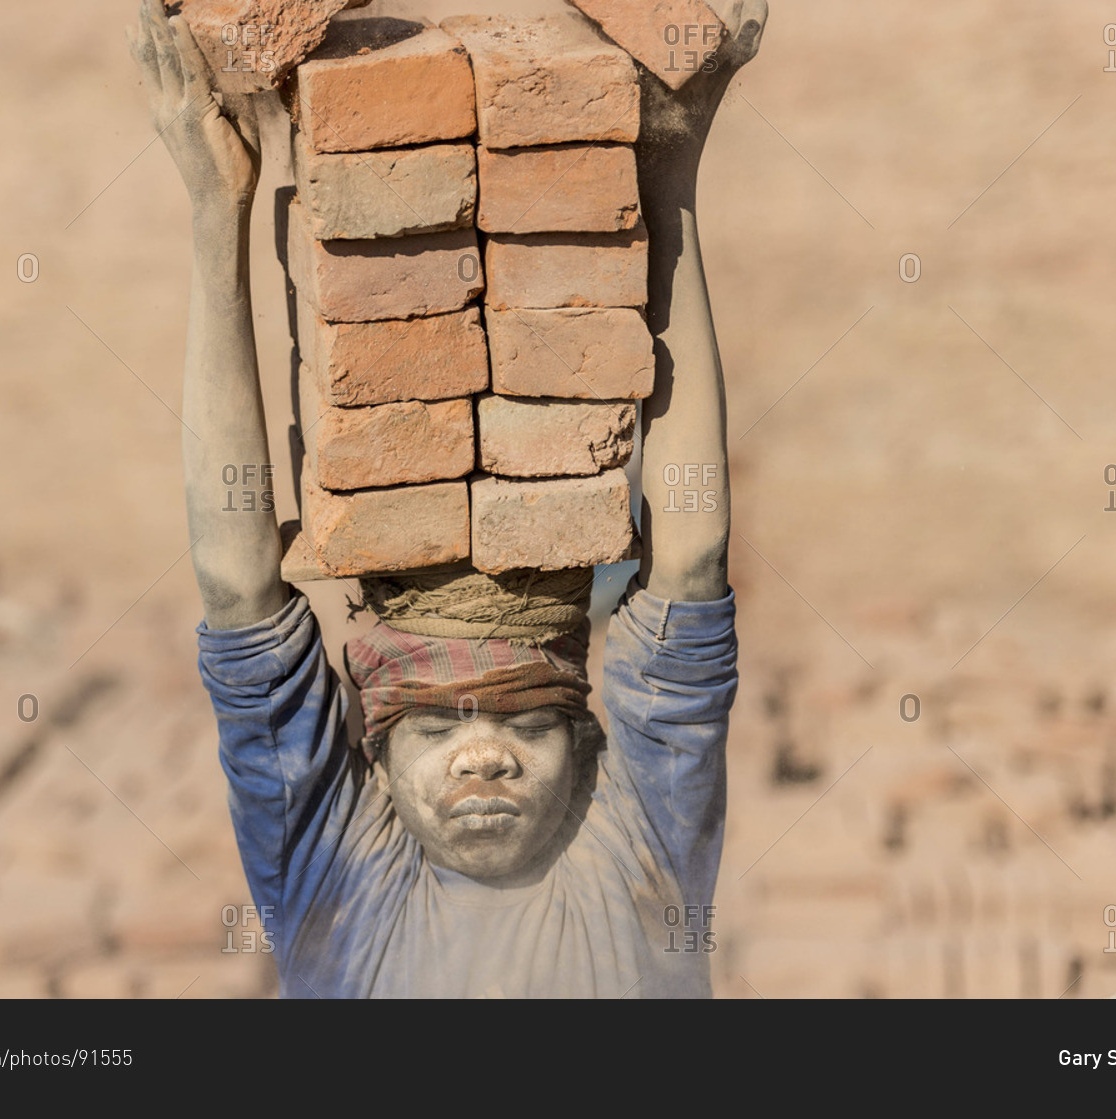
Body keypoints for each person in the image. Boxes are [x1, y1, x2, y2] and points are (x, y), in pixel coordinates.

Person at [130, 0, 767, 997]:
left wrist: (223, 214)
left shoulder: (624, 871)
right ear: (372, 768)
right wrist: (669, 172)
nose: (484, 756)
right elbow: (687, 565)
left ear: (594, 747)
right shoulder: (341, 889)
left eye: (521, 724)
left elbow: (239, 592)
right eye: (436, 732)